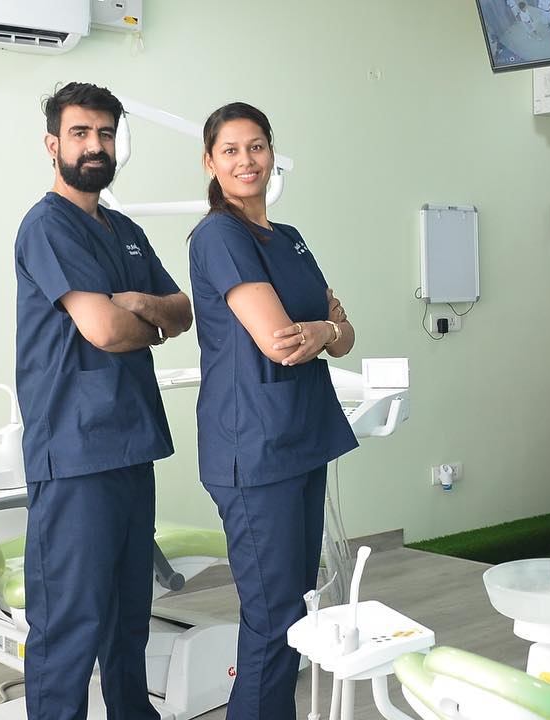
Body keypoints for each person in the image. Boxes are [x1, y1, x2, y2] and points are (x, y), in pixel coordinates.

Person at [14, 81, 192, 720]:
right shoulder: (46, 227)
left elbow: (183, 310)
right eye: (81, 133)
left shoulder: (127, 232)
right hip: (75, 450)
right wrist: (148, 325)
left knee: (128, 616)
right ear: (52, 144)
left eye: (106, 134)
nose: (95, 145)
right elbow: (105, 330)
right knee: (71, 621)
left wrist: (141, 305)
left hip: (130, 444)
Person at [186, 102, 359, 718]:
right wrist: (323, 329)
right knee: (273, 614)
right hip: (253, 446)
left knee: (297, 606)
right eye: (230, 150)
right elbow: (282, 343)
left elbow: (344, 334)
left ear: (272, 153)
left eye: (256, 146)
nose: (246, 160)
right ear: (210, 162)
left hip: (299, 438)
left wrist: (325, 331)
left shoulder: (289, 238)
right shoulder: (219, 235)